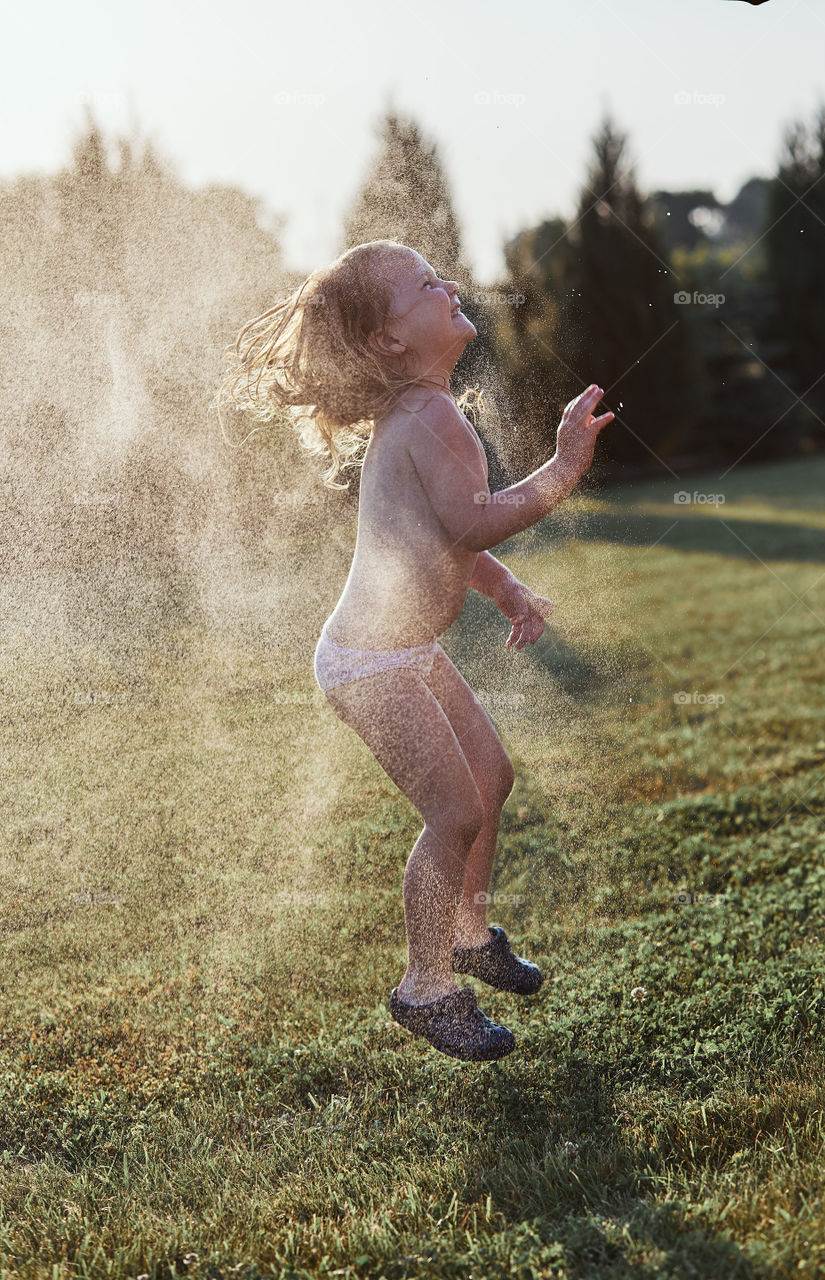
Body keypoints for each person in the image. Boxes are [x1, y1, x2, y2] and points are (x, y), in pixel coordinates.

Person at [217, 240, 613, 1061]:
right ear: (387, 341)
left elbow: (441, 543)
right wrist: (564, 466)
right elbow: (473, 522)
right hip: (369, 664)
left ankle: (468, 933)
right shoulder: (427, 418)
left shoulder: (424, 414)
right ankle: (424, 987)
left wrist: (504, 591)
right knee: (455, 810)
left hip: (406, 652)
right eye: (429, 284)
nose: (453, 285)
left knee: (491, 778)